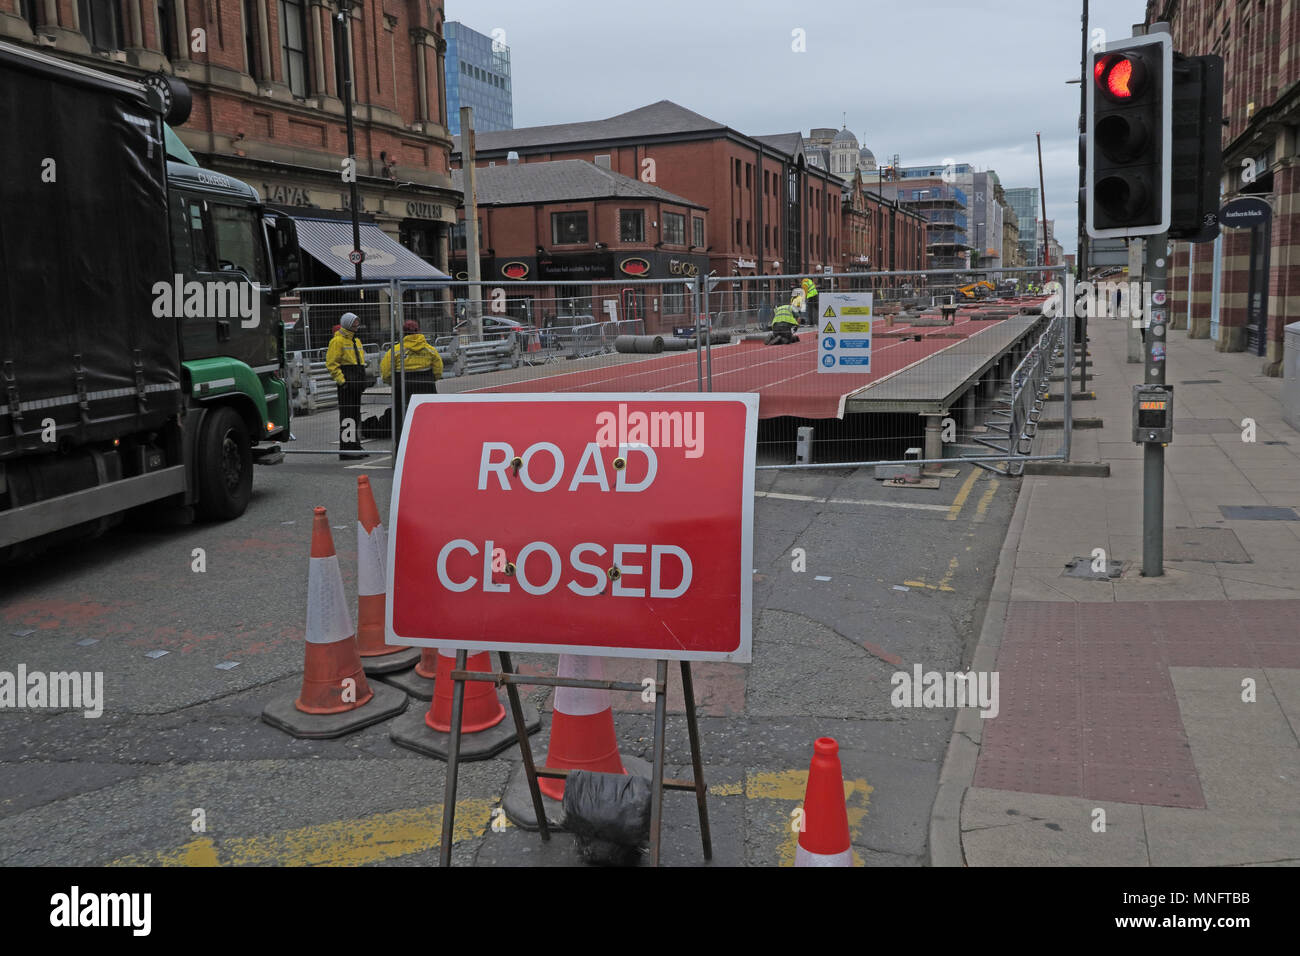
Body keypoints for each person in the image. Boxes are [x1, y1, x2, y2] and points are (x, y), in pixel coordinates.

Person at [381, 320, 443, 451]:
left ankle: (401, 452)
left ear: (403, 333)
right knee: (428, 419)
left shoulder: (396, 350)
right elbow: (438, 369)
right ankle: (429, 448)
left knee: (400, 419)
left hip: (402, 387)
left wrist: (392, 383)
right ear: (419, 331)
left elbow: (386, 371)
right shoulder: (429, 349)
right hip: (426, 386)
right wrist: (432, 379)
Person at [326, 312, 369, 460]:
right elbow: (332, 364)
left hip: (356, 382)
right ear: (347, 324)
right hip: (347, 383)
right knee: (347, 417)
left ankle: (355, 445)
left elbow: (360, 361)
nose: (357, 325)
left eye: (357, 322)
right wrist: (342, 382)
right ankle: (347, 449)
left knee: (355, 416)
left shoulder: (355, 341)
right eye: (354, 322)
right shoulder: (337, 341)